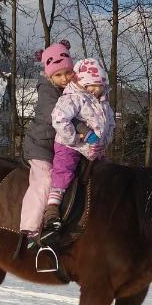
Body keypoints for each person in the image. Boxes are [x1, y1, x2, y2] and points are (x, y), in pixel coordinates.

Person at [42, 58, 115, 231]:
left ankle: (107, 209)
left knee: (108, 174)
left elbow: (110, 123)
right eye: (93, 85)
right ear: (83, 83)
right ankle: (53, 206)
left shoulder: (103, 103)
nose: (97, 90)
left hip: (94, 150)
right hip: (69, 146)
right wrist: (75, 139)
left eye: (100, 85)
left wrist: (105, 141)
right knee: (64, 170)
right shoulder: (73, 98)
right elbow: (59, 118)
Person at [20, 40, 74, 246]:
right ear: (50, 75)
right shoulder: (47, 91)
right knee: (44, 182)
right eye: (58, 75)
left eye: (67, 73)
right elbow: (59, 115)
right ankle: (30, 229)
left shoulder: (72, 91)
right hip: (40, 146)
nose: (64, 78)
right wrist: (81, 128)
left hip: (59, 147)